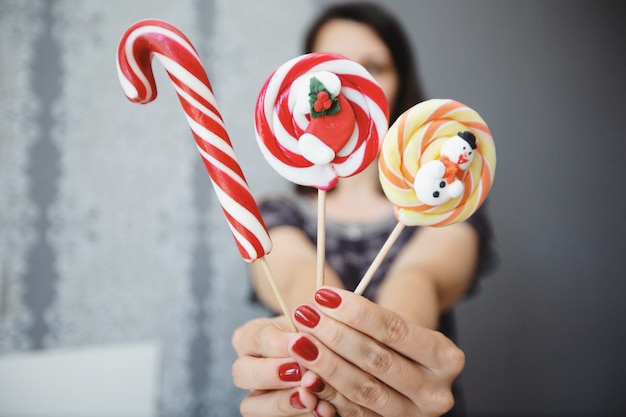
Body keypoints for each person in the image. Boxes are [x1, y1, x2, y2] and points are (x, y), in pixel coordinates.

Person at [232, 2, 495, 416]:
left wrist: (385, 371)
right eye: (335, 70)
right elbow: (299, 275)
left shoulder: (447, 203)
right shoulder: (274, 214)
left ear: (399, 82)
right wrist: (320, 359)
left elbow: (418, 279)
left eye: (374, 67)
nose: (349, 87)